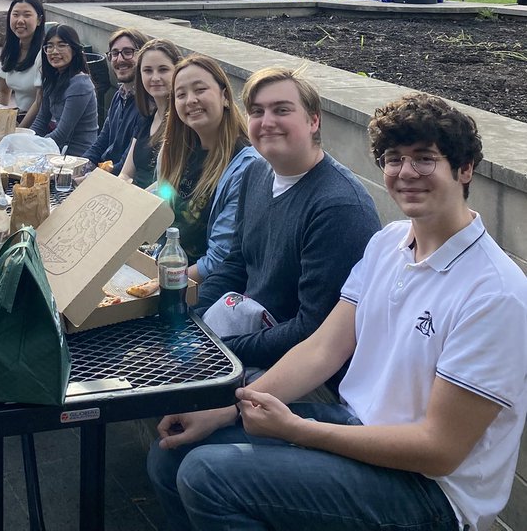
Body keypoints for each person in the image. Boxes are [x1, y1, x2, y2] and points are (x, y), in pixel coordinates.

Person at [148, 92, 527, 531]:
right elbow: (323, 348)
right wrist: (227, 408)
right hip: (357, 426)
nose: (406, 173)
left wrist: (297, 431)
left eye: (425, 159)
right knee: (172, 453)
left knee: (209, 475)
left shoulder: (495, 292)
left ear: (464, 170)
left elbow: (439, 449)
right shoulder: (388, 243)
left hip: (431, 492)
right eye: (393, 159)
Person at [195, 67, 381, 376]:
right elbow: (237, 262)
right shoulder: (255, 173)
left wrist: (219, 348)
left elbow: (312, 330)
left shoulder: (339, 208)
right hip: (242, 338)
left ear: (313, 120)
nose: (267, 122)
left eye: (282, 110)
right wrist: (194, 320)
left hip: (299, 373)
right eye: (257, 111)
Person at [154, 55, 258, 280]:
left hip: (200, 285)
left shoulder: (245, 166)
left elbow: (218, 259)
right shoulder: (175, 152)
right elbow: (157, 202)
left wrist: (161, 284)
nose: (190, 100)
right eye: (181, 95)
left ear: (225, 97)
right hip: (161, 265)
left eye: (200, 90)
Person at [84, 29, 151, 174]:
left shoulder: (147, 105)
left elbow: (128, 162)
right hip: (104, 172)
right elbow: (102, 141)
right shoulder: (119, 95)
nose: (119, 59)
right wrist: (80, 167)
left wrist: (92, 177)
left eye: (128, 52)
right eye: (114, 54)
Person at [30, 23, 99, 156]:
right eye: (49, 46)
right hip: (59, 152)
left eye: (61, 45)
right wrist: (26, 140)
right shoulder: (54, 78)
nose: (54, 51)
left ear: (74, 49)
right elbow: (41, 121)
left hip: (77, 157)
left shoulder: (80, 83)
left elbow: (62, 134)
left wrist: (32, 149)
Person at [122, 38, 182, 188]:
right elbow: (126, 173)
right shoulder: (146, 118)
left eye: (163, 70)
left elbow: (168, 185)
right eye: (148, 71)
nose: (155, 78)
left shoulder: (183, 123)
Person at [0, 0, 45, 125]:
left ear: (39, 20)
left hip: (41, 123)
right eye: (15, 15)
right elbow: (2, 91)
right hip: (19, 116)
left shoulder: (45, 53)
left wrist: (19, 130)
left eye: (27, 15)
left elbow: (40, 101)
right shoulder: (10, 49)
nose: (20, 20)